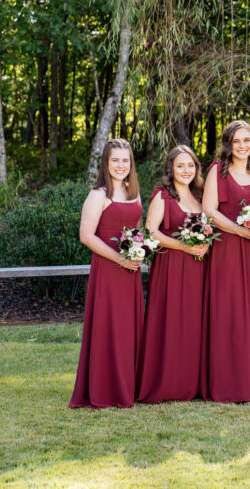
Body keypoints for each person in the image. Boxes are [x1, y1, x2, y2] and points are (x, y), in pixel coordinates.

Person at [201, 120, 250, 402]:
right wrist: (241, 230)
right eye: (237, 141)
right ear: (228, 145)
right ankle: (229, 382)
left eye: (247, 140)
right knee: (230, 310)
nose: (242, 146)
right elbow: (209, 211)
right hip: (229, 248)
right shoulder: (217, 172)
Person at [70, 138, 145, 408]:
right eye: (115, 160)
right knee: (109, 326)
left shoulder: (133, 191)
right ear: (106, 162)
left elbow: (138, 227)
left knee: (128, 326)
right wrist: (119, 259)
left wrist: (139, 250)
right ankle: (106, 388)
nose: (121, 165)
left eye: (125, 160)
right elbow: (86, 236)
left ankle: (129, 384)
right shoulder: (98, 195)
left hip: (130, 269)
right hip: (108, 269)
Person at [137, 145, 210, 404]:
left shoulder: (200, 197)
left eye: (190, 165)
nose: (186, 170)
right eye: (180, 166)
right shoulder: (162, 196)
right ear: (171, 169)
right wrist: (183, 246)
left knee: (193, 323)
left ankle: (191, 382)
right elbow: (150, 231)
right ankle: (167, 382)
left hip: (197, 269)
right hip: (171, 267)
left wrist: (204, 244)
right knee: (170, 321)